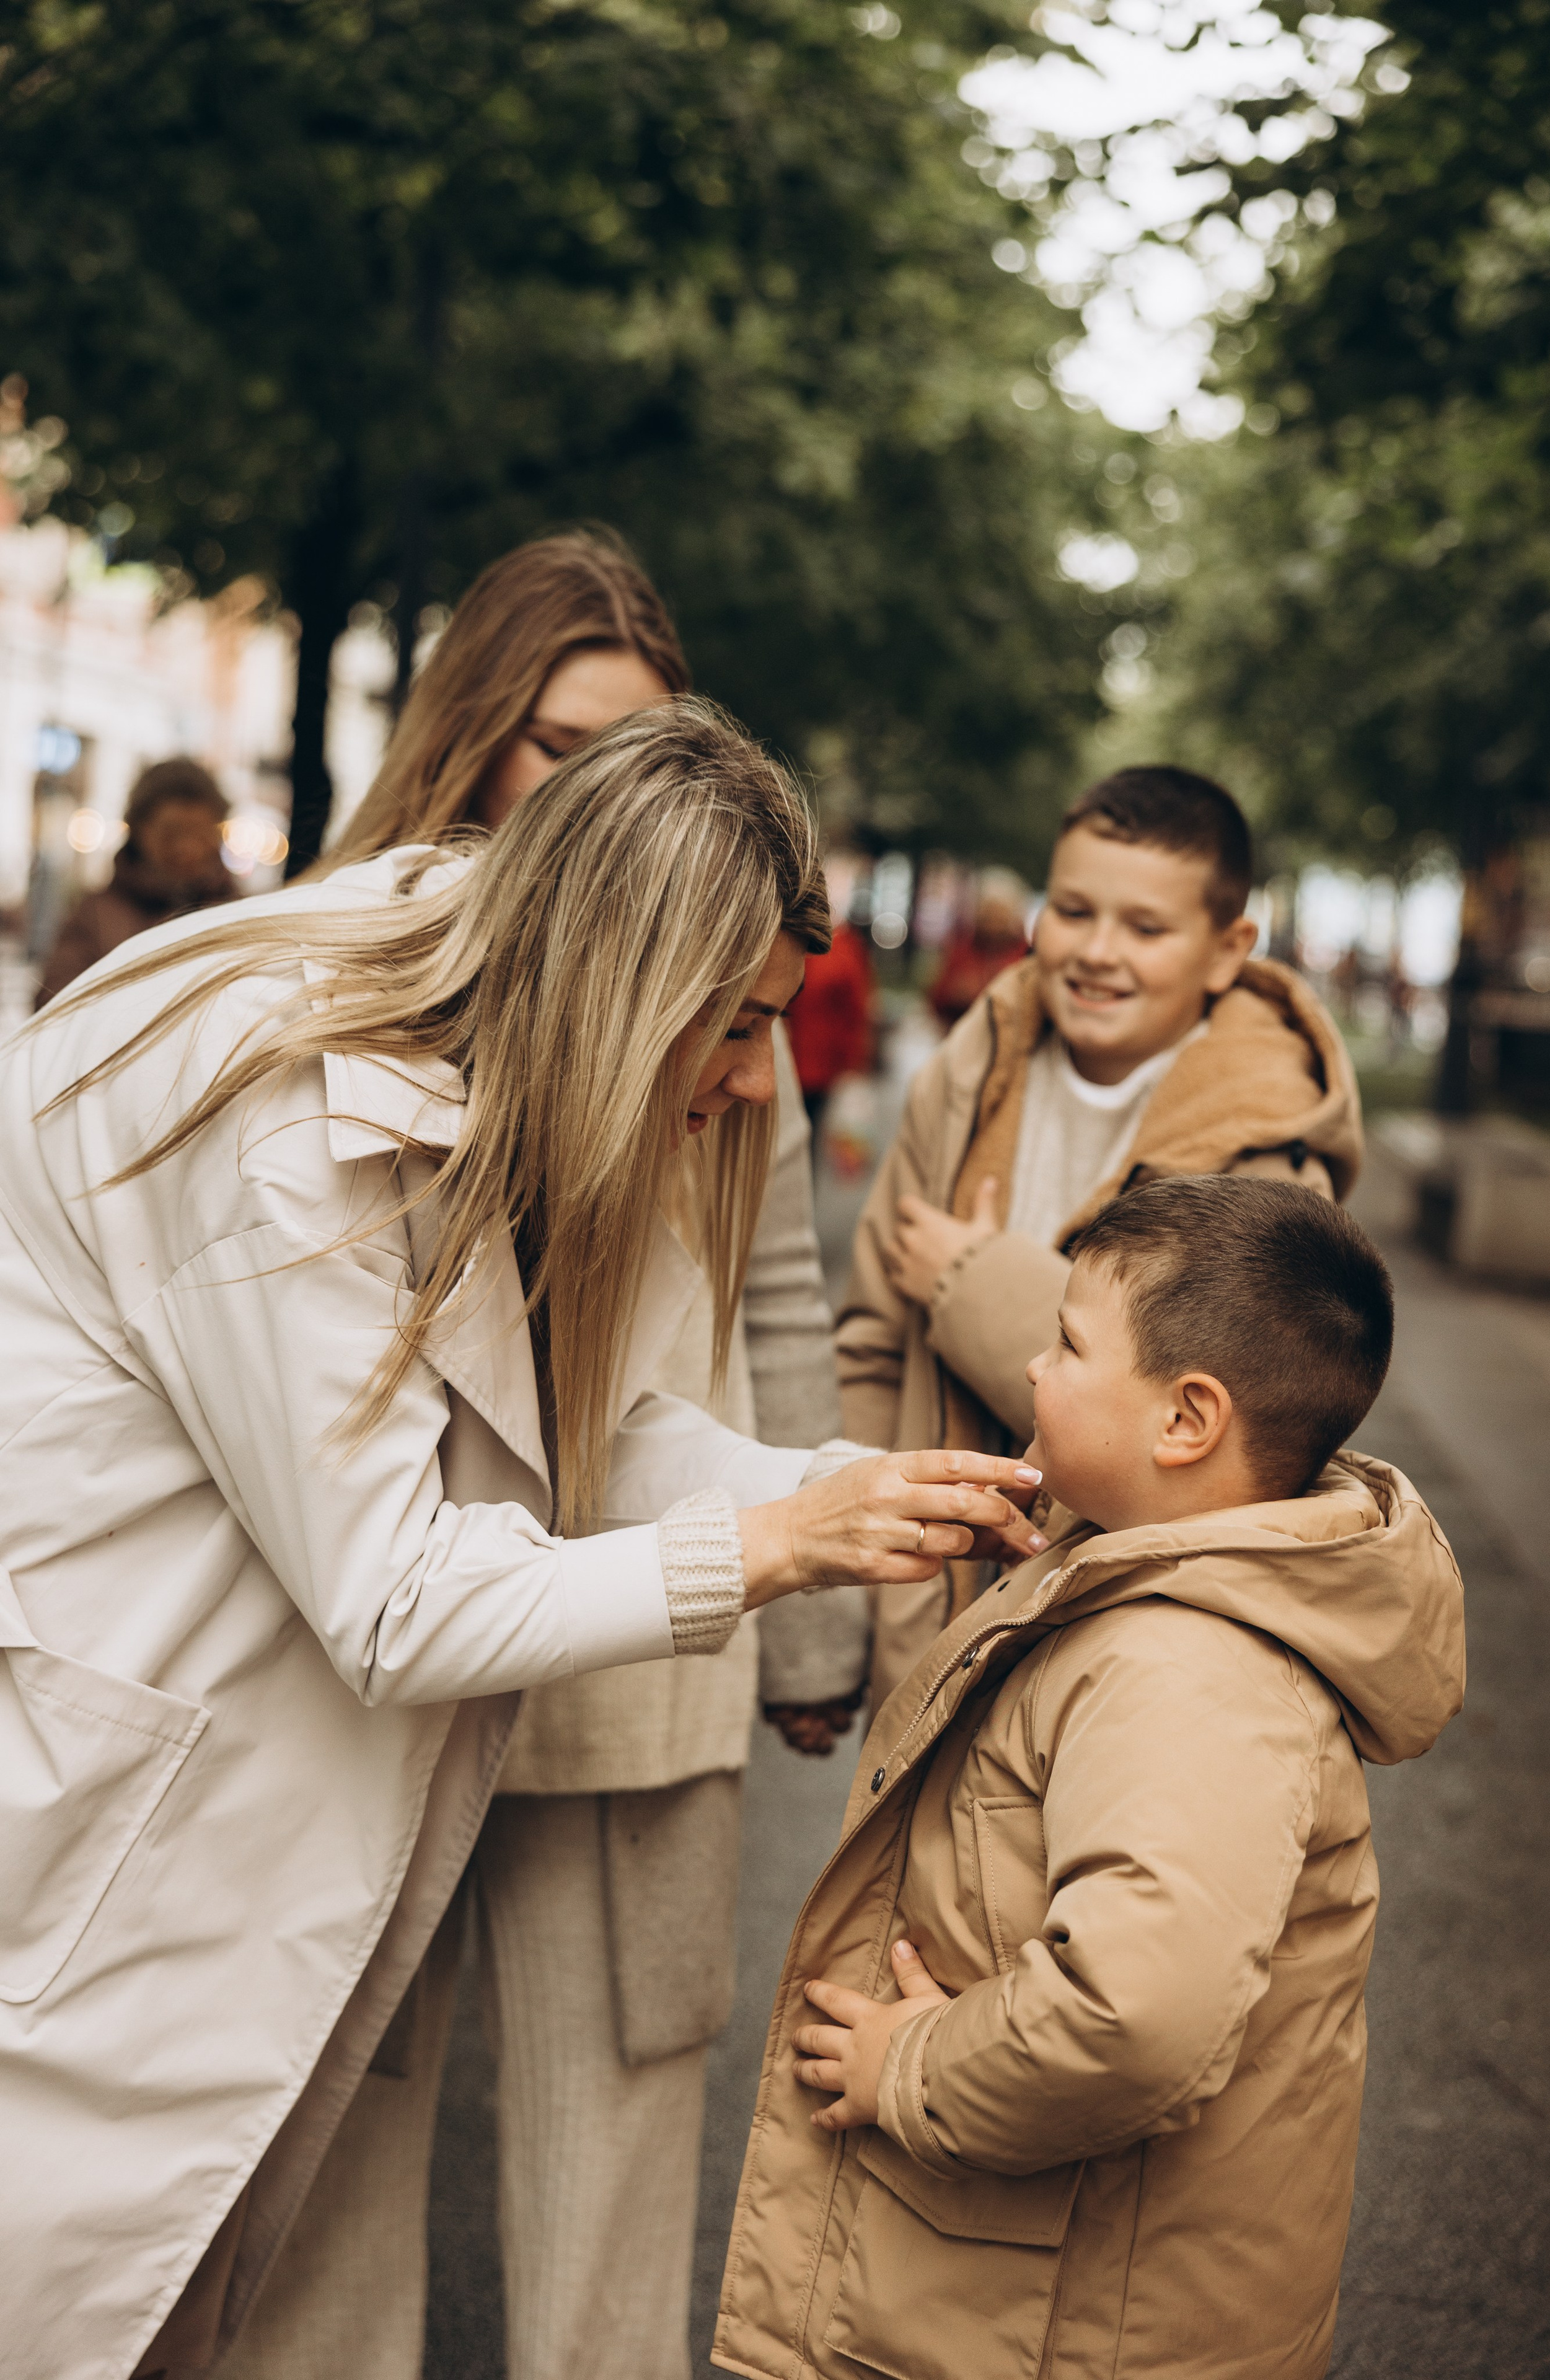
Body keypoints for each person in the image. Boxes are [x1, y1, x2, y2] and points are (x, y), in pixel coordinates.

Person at [0, 700, 1050, 2380]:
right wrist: (773, 1547)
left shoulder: (491, 1022)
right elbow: (398, 1602)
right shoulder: (283, 1110)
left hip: (224, 1767)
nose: (745, 1084)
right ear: (636, 978)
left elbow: (596, 1427)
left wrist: (840, 1493)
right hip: (122, 1766)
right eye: (735, 1031)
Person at [248, 531, 861, 2380]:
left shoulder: (722, 1007)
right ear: (470, 737)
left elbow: (772, 1289)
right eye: (563, 743)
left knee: (616, 2150)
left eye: (638, 747)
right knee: (338, 2149)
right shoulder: (344, 981)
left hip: (643, 1666)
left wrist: (817, 1615)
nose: (599, 795)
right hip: (388, 1652)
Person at [713, 1175, 1466, 2380]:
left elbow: (1134, 2015)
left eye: (1065, 1344)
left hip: (1082, 2325)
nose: (1030, 1371)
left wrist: (904, 2066)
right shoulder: (1136, 1573)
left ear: (1184, 1422)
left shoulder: (1187, 1670)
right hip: (1036, 2292)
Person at [837, 764, 1365, 1705]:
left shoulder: (1271, 1156)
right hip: (928, 1621)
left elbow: (1209, 1436)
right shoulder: (965, 1077)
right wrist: (836, 1615)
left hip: (1120, 1647)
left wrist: (974, 1279)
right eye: (1073, 911)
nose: (1098, 951)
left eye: (1148, 928)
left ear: (1226, 948)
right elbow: (873, 1349)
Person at [34, 756, 236, 1007]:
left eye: (199, 832)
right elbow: (53, 1005)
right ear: (140, 831)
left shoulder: (238, 912)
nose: (187, 848)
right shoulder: (94, 917)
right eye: (171, 833)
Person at [783, 915, 874, 1135]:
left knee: (808, 1130)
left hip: (821, 1065)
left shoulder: (844, 948)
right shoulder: (793, 940)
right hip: (789, 1057)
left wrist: (855, 1063)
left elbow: (857, 1012)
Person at [924, 877, 1029, 1030]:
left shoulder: (1025, 954)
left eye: (999, 914)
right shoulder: (961, 949)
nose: (993, 921)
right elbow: (936, 997)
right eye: (988, 912)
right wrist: (954, 993)